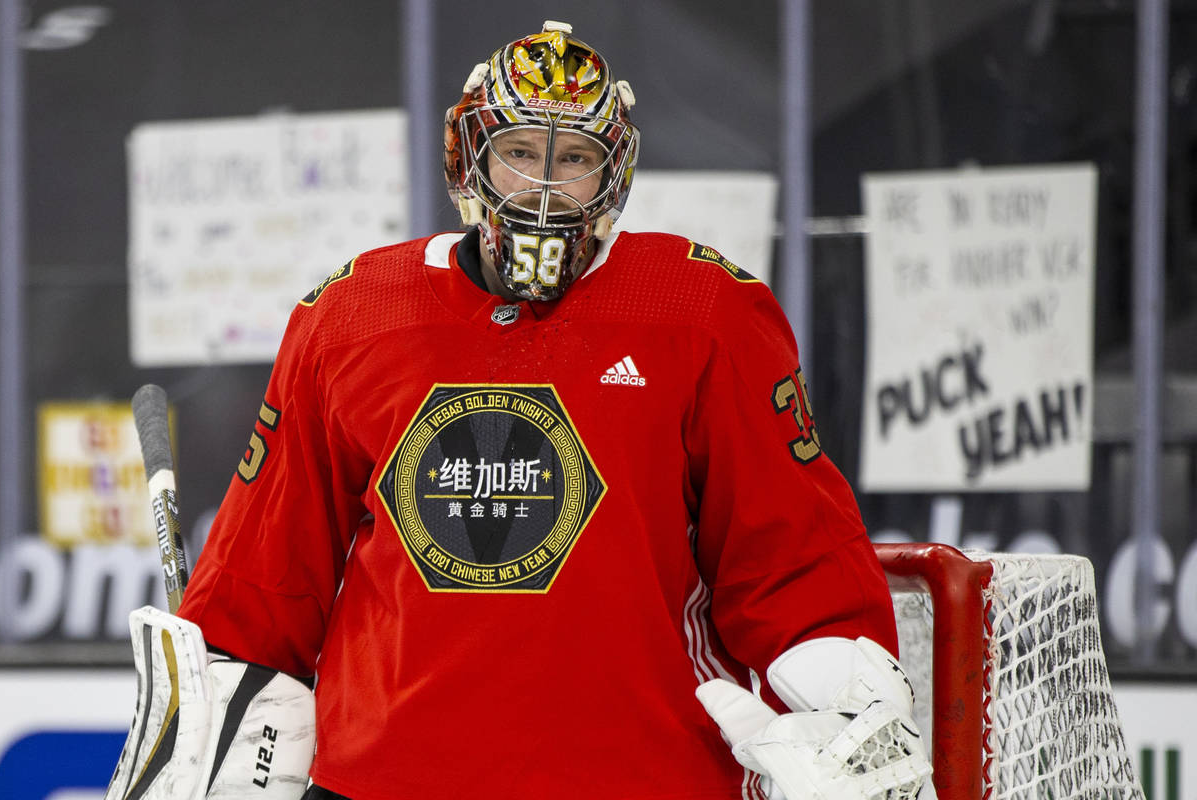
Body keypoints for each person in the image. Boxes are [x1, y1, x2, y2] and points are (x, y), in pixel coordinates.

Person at [138, 20, 932, 800]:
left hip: (639, 778)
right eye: (518, 153)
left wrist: (844, 701)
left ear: (612, 174)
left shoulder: (703, 311)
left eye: (576, 158)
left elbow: (791, 553)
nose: (545, 186)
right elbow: (264, 575)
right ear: (467, 160)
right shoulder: (351, 316)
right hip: (385, 782)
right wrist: (213, 708)